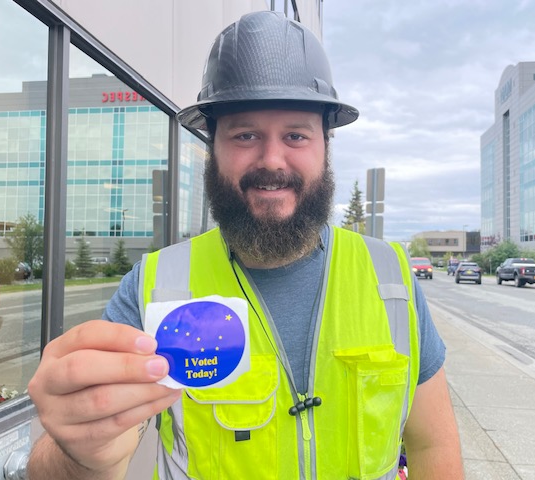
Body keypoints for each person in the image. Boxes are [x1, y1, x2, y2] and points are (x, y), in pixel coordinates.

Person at [27, 11, 463, 480]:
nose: (272, 159)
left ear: (326, 146)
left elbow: (433, 446)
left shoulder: (391, 278)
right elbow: (58, 463)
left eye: (295, 135)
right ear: (211, 148)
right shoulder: (157, 287)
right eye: (245, 135)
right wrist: (82, 456)